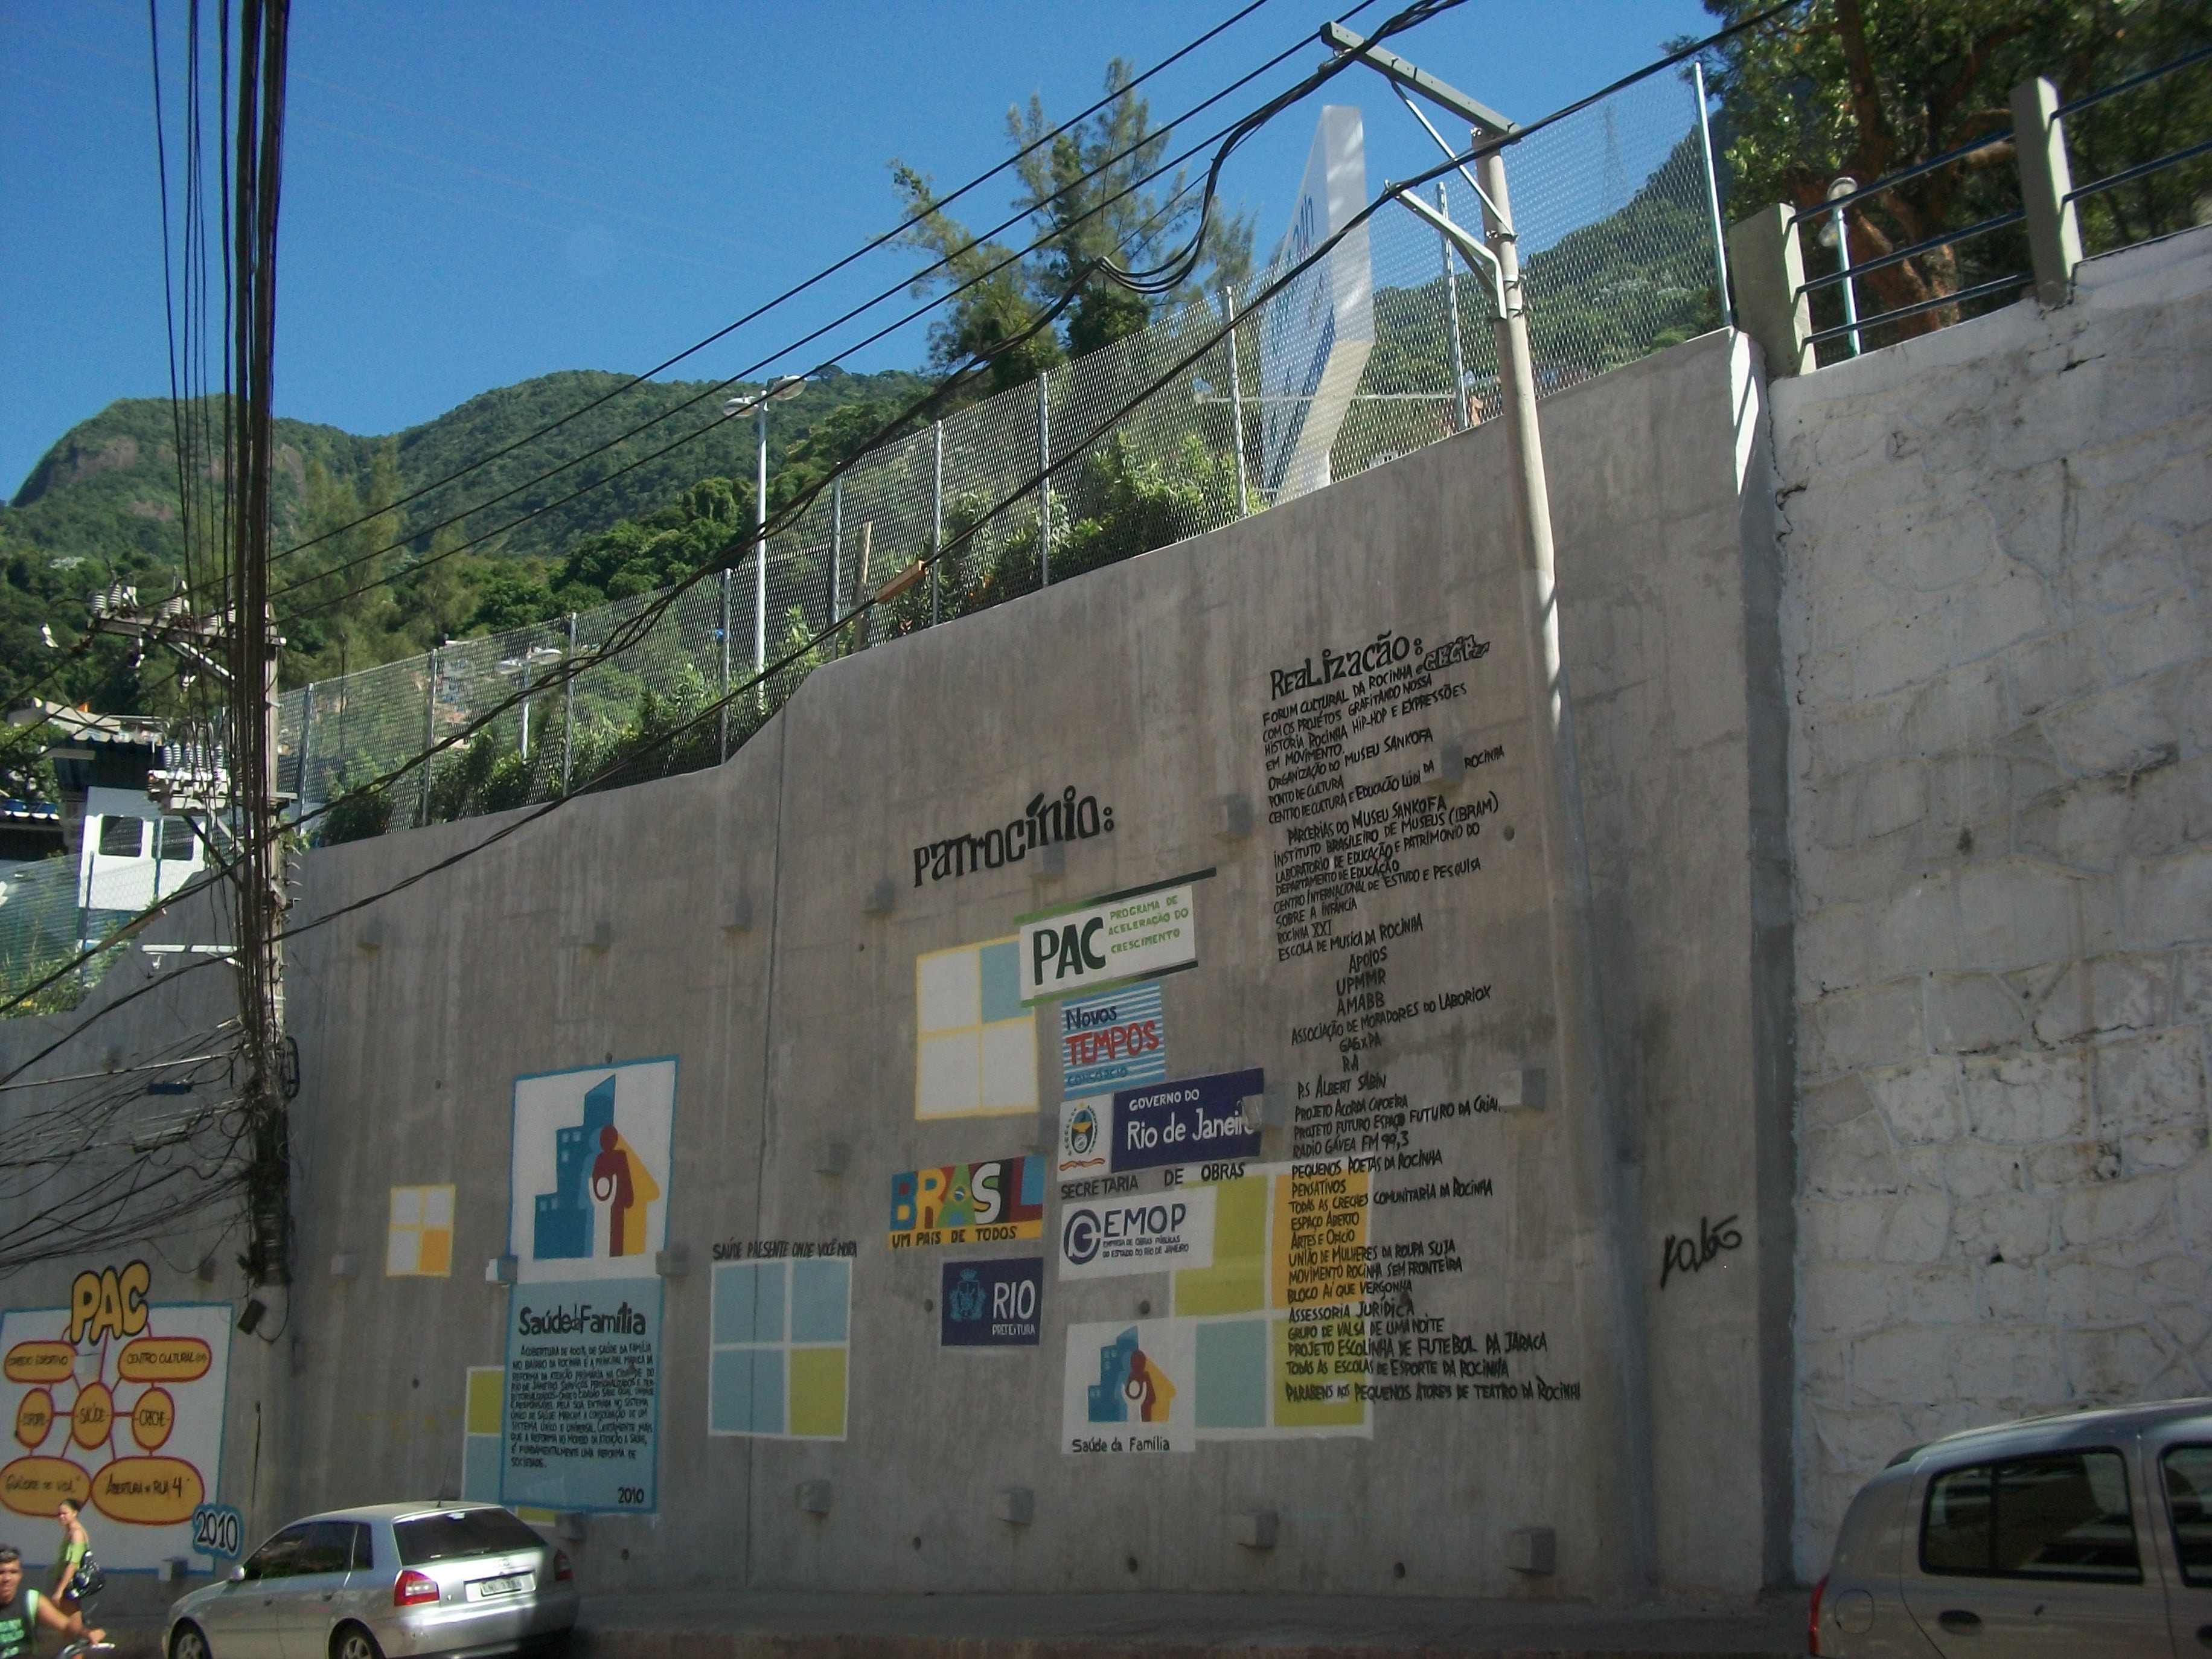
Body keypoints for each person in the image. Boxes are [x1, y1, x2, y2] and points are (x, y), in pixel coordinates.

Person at [0, 1545, 100, 1659]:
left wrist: (87, 1634)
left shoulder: (30, 1599)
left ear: (20, 1575)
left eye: (13, 1572)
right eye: (1, 1573)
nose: (7, 1579)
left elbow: (66, 1626)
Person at [48, 1504, 86, 1616]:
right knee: (68, 1619)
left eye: (65, 1513)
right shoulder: (70, 1533)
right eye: (59, 1514)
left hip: (70, 1584)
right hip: (65, 1583)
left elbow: (73, 1563)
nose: (61, 1517)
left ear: (75, 1513)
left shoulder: (77, 1534)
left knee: (70, 1619)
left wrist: (60, 1591)